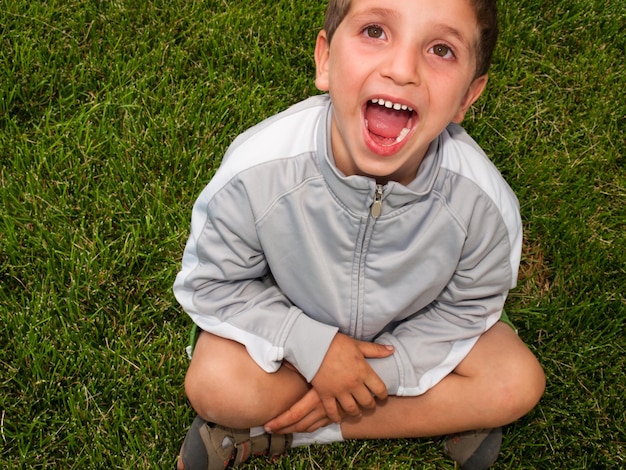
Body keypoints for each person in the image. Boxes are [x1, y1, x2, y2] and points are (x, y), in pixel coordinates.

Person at [173, 0, 546, 468]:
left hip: (411, 333)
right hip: (290, 329)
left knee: (517, 382)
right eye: (375, 31)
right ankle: (441, 413)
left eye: (440, 49)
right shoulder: (256, 173)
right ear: (326, 59)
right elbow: (213, 287)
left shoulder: (483, 205)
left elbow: (466, 311)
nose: (403, 68)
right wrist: (311, 346)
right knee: (215, 385)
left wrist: (383, 371)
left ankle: (277, 434)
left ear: (468, 97)